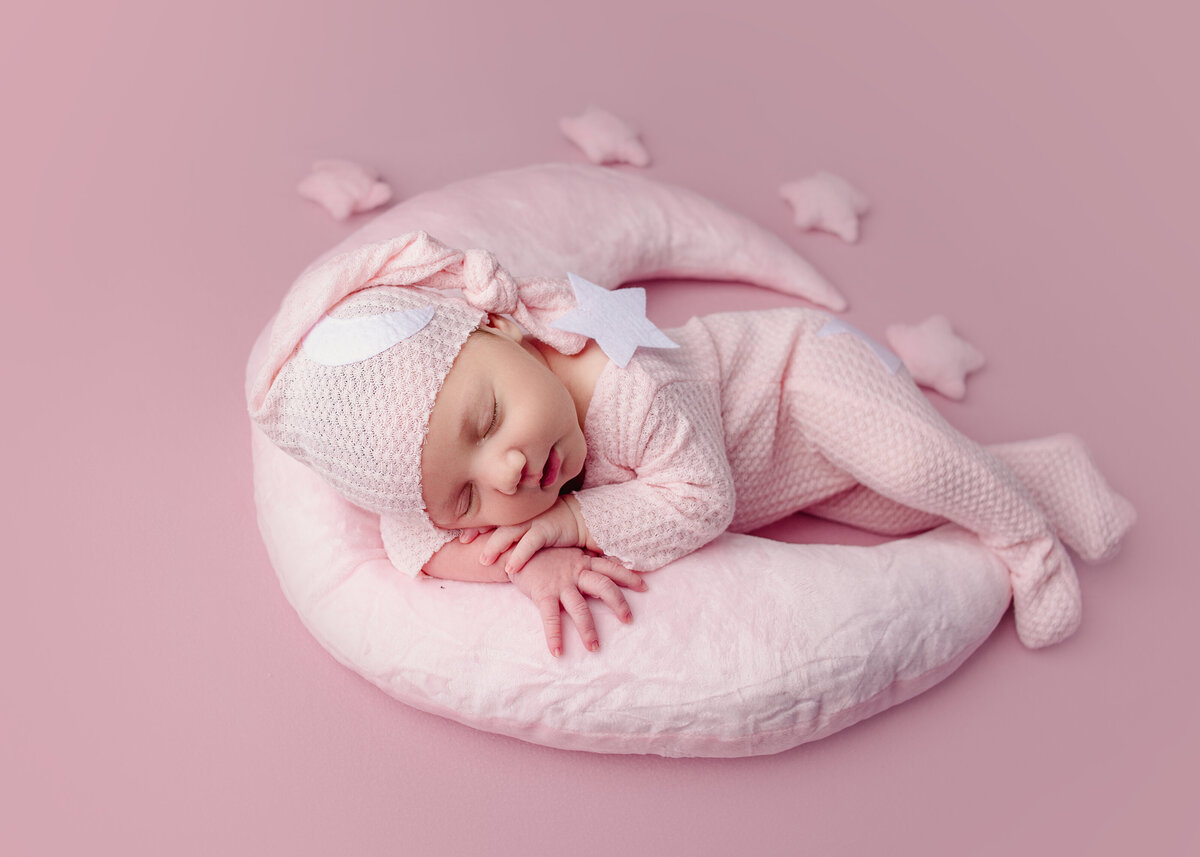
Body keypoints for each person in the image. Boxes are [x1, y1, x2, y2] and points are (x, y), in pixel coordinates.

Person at [249, 232, 1135, 657]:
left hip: (798, 375)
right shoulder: (491, 460)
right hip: (783, 470)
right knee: (901, 509)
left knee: (911, 463)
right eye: (469, 492)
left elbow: (702, 506)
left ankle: (1029, 541)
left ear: (508, 332)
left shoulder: (626, 382)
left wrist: (573, 527)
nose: (507, 470)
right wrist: (524, 562)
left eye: (486, 423)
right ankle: (1049, 468)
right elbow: (421, 540)